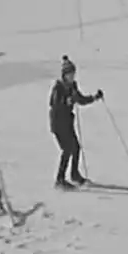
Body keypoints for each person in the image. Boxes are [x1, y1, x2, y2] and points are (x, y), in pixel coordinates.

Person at [48, 55, 104, 190]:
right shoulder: (58, 87)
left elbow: (80, 99)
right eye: (70, 74)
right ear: (64, 75)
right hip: (58, 123)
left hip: (67, 122)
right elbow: (54, 104)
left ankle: (74, 174)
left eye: (73, 74)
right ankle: (60, 179)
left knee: (76, 147)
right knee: (67, 149)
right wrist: (66, 101)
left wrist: (94, 97)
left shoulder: (72, 86)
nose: (72, 76)